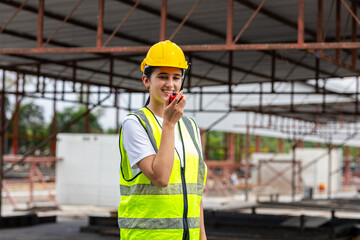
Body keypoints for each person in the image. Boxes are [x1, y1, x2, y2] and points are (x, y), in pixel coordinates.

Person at [118, 40, 207, 240]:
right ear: (146, 80)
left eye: (177, 77)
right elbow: (161, 178)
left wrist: (202, 237)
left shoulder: (190, 127)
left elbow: (196, 192)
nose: (170, 84)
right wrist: (168, 124)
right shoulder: (135, 124)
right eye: (162, 76)